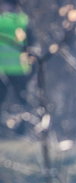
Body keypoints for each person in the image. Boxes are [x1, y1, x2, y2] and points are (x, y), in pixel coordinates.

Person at [0, 0, 34, 134]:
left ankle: (12, 127)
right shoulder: (23, 20)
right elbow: (31, 42)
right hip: (19, 67)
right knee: (22, 98)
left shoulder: (4, 20)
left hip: (7, 67)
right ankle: (23, 128)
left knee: (4, 98)